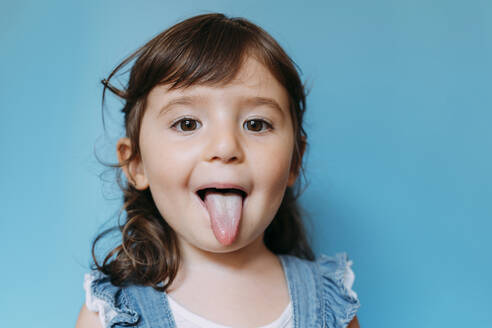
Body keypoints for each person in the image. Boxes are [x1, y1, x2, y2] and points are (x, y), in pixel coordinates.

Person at [76, 13, 360, 328]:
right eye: (187, 124)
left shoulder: (329, 302)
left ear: (294, 161)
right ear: (137, 164)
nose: (225, 148)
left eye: (256, 124)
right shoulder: (111, 313)